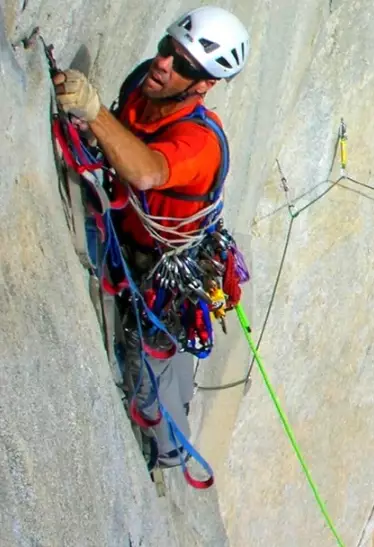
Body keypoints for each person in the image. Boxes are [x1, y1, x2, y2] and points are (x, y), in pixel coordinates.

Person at [51, 6, 250, 469]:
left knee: (145, 371)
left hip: (165, 272)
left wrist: (93, 111)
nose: (164, 64)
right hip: (135, 242)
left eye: (182, 65)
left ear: (203, 85)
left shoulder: (198, 142)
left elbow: (145, 171)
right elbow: (124, 138)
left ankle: (168, 451)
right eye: (167, 49)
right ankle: (175, 413)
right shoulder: (146, 84)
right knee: (164, 360)